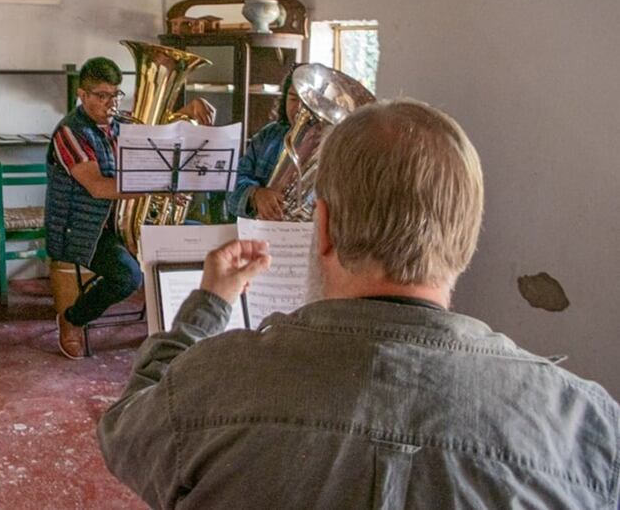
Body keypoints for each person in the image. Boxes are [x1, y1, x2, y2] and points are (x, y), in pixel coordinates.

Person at [98, 100, 619, 508]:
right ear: (468, 238)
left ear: (321, 227)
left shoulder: (210, 383)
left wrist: (209, 304)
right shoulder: (587, 421)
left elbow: (125, 432)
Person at [46, 56, 215, 360]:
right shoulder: (70, 133)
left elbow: (157, 130)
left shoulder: (120, 124)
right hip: (81, 230)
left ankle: (180, 326)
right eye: (101, 96)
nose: (110, 103)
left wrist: (186, 112)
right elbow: (98, 187)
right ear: (81, 95)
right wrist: (157, 185)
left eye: (115, 95)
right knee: (128, 277)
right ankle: (71, 319)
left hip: (119, 224)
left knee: (202, 242)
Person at [226, 70, 301, 220]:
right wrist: (255, 195)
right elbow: (232, 185)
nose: (299, 108)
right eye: (293, 99)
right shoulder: (269, 135)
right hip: (262, 233)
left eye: (307, 101)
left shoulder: (336, 146)